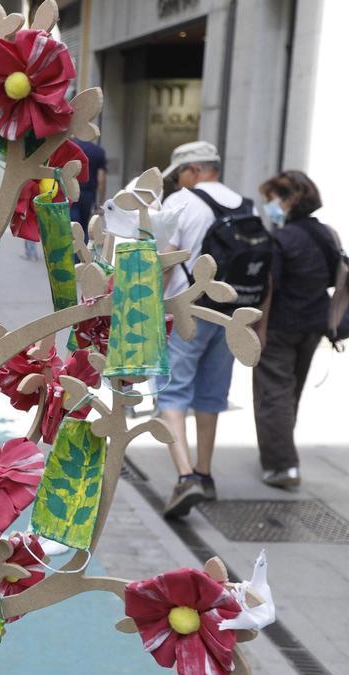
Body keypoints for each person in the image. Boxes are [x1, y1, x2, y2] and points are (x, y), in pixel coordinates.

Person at [156, 141, 255, 518]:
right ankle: (205, 472)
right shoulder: (246, 204)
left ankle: (185, 478)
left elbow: (167, 261)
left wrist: (151, 310)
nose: (179, 181)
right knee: (212, 395)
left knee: (172, 393)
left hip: (189, 310)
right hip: (232, 313)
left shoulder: (182, 202)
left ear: (194, 170)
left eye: (180, 173)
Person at [253, 171, 333, 488]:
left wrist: (260, 327)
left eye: (272, 199)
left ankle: (282, 466)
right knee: (290, 393)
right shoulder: (327, 234)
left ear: (288, 200)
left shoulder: (281, 238)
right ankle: (280, 450)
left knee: (273, 394)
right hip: (314, 324)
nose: (269, 206)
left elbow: (270, 286)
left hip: (281, 326)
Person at [71, 139, 107, 231]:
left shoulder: (72, 147)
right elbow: (101, 179)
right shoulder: (98, 151)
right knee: (84, 225)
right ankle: (84, 244)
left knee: (72, 223)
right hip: (88, 193)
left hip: (71, 190)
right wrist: (101, 203)